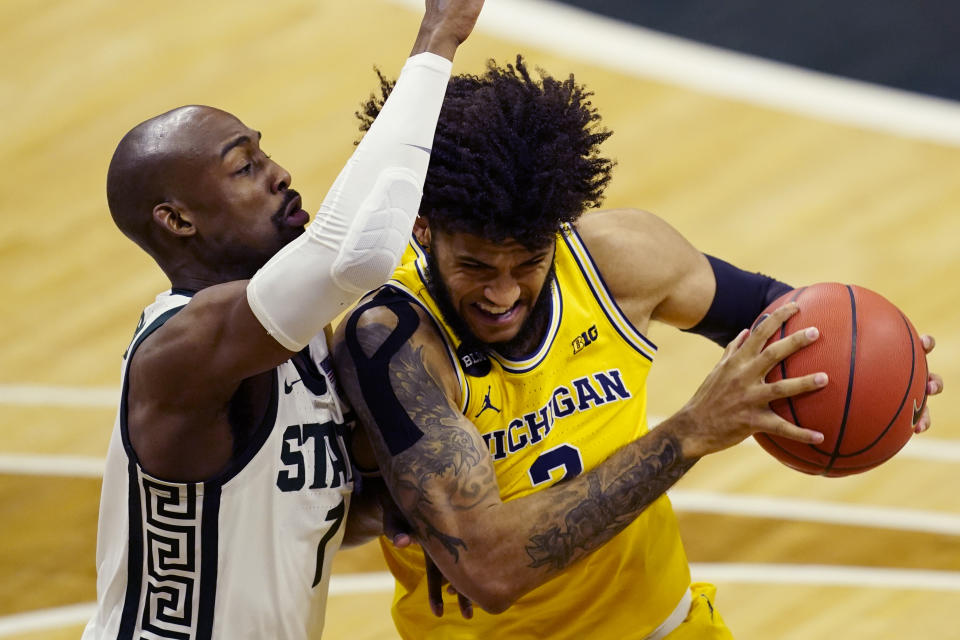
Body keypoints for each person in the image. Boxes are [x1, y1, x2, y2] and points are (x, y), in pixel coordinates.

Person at [331, 57, 943, 639]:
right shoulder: (393, 341)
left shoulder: (616, 261)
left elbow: (788, 320)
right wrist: (690, 432)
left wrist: (889, 374)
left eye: (528, 262)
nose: (503, 293)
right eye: (475, 266)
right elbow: (491, 568)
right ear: (422, 227)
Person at [81, 2, 485, 638]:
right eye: (245, 166)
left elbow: (291, 514)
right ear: (179, 220)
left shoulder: (298, 343)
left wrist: (414, 512)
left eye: (264, 154)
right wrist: (440, 35)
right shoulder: (184, 347)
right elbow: (355, 252)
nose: (280, 174)